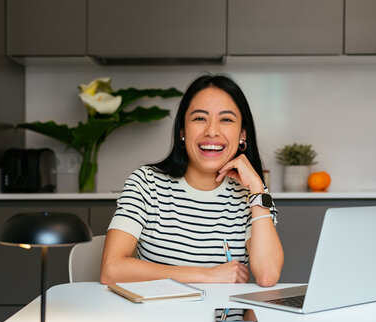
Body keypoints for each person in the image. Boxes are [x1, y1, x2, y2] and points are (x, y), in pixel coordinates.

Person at [100, 74, 284, 287]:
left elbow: (268, 275)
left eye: (226, 119)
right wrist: (207, 276)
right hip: (156, 319)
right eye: (199, 118)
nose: (212, 131)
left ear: (242, 134)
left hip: (223, 319)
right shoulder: (145, 183)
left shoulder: (252, 196)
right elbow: (111, 269)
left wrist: (258, 191)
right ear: (182, 132)